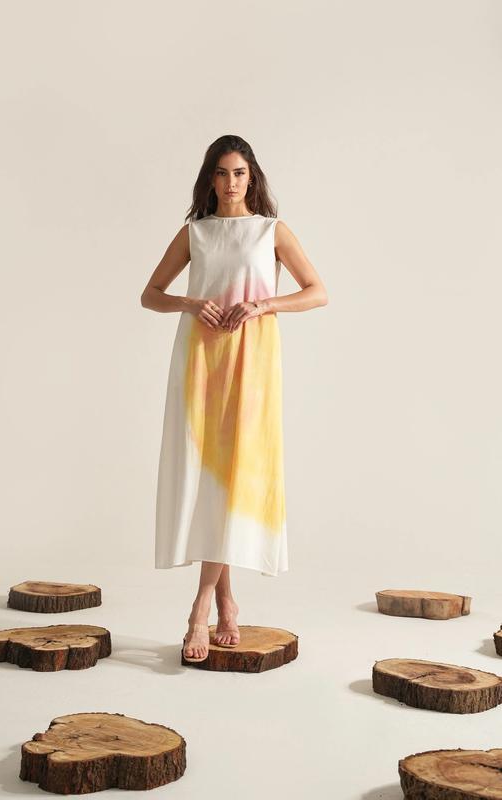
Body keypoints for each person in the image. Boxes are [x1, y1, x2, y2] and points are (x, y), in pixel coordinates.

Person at [141, 134, 328, 663]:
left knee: (234, 473)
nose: (230, 183)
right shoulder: (195, 233)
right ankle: (226, 602)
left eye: (239, 173)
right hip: (200, 361)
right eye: (221, 173)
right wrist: (190, 302)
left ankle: (201, 606)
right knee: (207, 477)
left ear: (252, 177)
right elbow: (149, 294)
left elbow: (317, 291)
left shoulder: (271, 230)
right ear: (210, 178)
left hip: (253, 362)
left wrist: (263, 305)